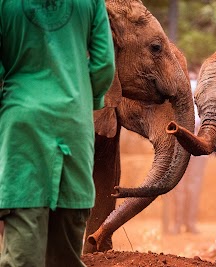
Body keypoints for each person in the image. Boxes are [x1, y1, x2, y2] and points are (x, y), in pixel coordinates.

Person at [0, 1, 115, 266]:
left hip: (22, 125)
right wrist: (86, 99)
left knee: (23, 250)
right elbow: (104, 65)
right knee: (66, 255)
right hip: (73, 123)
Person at [162, 72, 208, 234]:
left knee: (186, 185)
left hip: (192, 141)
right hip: (190, 140)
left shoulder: (184, 88)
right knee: (186, 185)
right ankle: (183, 223)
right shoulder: (201, 88)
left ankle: (185, 223)